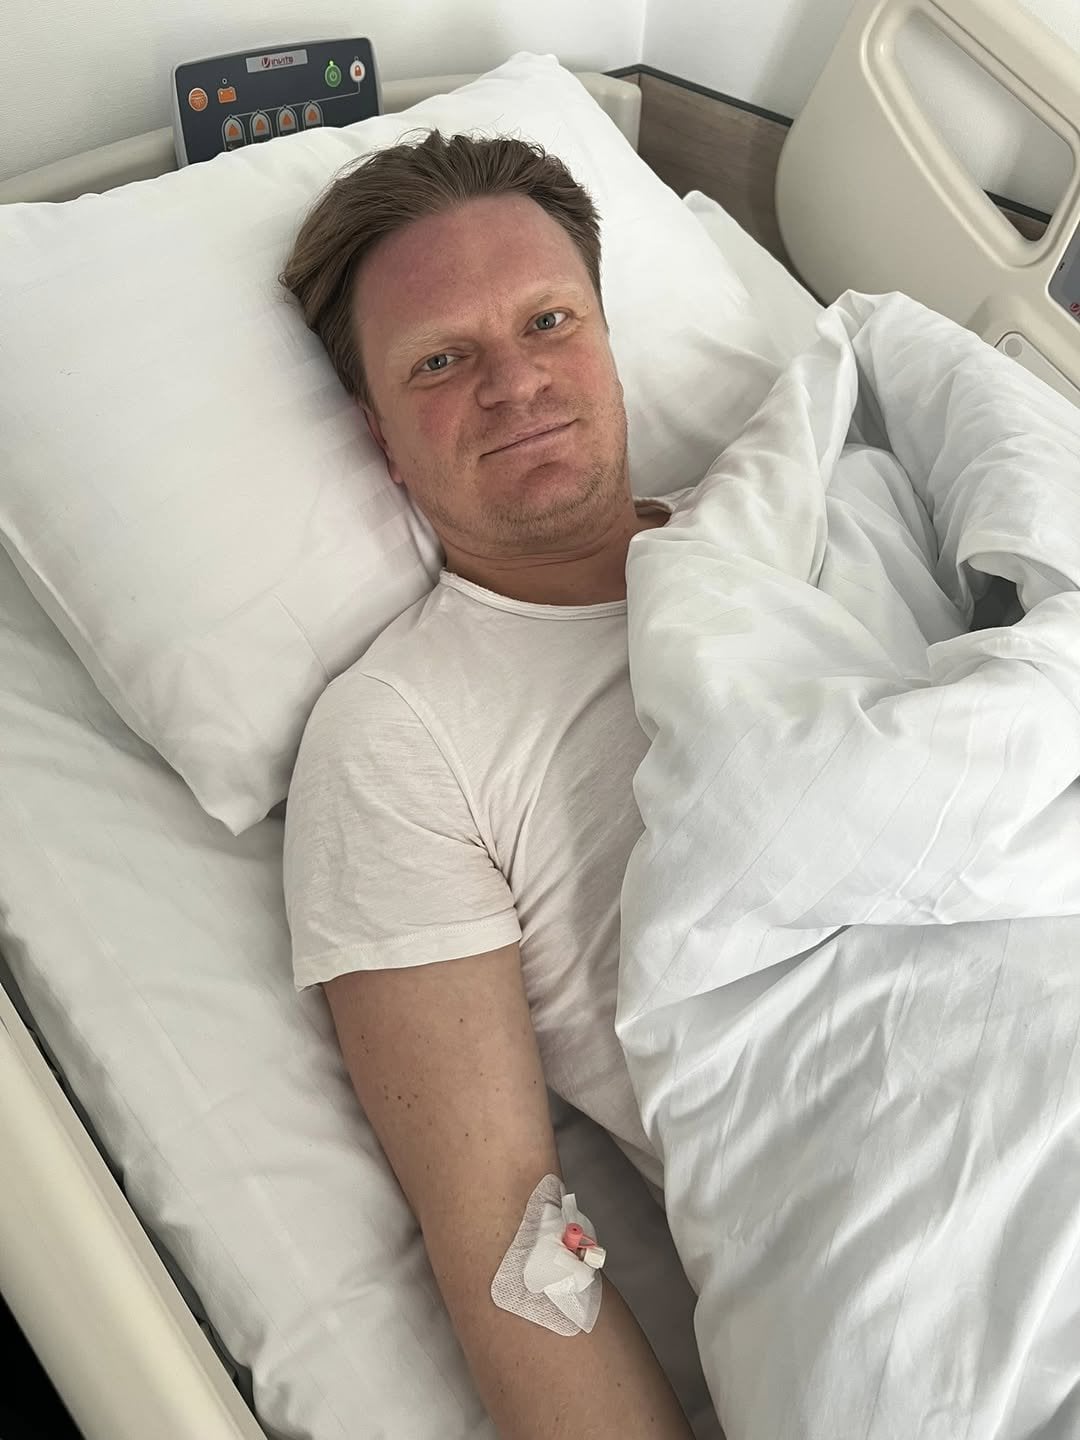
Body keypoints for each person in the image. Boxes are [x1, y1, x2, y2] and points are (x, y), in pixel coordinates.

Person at [281, 132, 695, 1440]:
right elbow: (507, 1233)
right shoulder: (401, 734)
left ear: (607, 340)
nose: (516, 380)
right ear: (381, 437)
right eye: (441, 362)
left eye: (548, 321)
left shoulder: (813, 503)